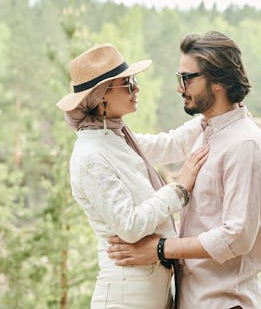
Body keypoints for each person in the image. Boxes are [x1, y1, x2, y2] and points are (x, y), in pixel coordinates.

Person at [108, 31, 261, 309]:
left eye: (187, 78)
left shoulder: (245, 145)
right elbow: (162, 145)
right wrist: (99, 134)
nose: (180, 88)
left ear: (219, 81)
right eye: (179, 78)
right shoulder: (207, 130)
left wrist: (160, 249)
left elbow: (236, 236)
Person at [56, 43, 209, 309]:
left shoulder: (117, 138)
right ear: (102, 95)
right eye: (128, 83)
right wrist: (178, 189)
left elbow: (171, 144)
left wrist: (216, 110)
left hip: (150, 293)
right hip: (126, 297)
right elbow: (129, 225)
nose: (137, 88)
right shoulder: (91, 156)